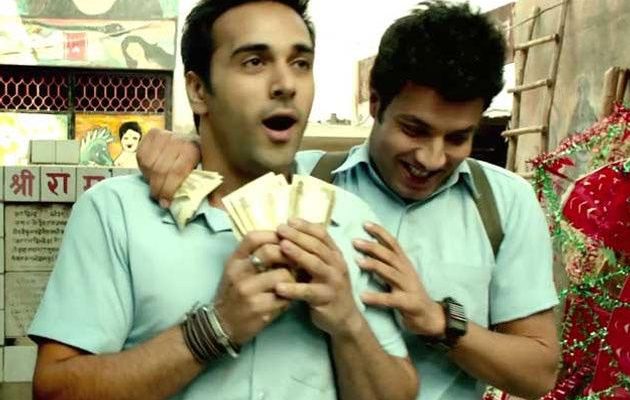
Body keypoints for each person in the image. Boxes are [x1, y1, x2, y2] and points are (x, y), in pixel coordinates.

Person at [137, 2, 561, 399]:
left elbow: (538, 373)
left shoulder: (503, 204)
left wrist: (437, 321)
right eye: (414, 130)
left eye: (457, 138)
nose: (432, 158)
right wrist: (186, 147)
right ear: (374, 102)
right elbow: (231, 154)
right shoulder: (301, 182)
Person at [28, 1, 418, 399]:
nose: (286, 84)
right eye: (254, 62)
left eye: (300, 63)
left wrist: (348, 323)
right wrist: (213, 329)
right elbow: (54, 391)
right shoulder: (116, 213)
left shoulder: (352, 220)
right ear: (198, 90)